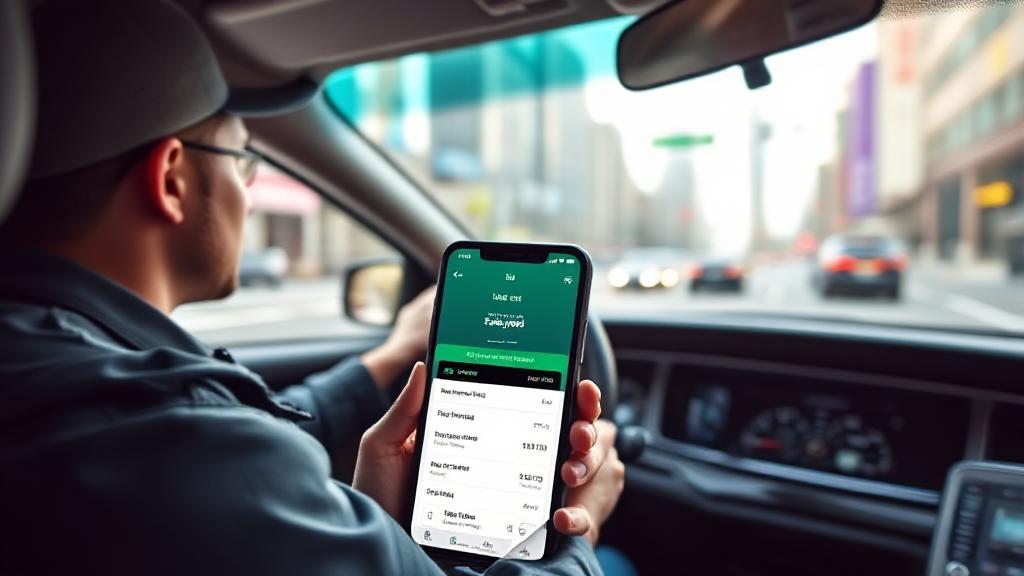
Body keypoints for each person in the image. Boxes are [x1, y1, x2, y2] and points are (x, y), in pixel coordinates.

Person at [0, 1, 625, 575]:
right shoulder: (173, 440)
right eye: (244, 160)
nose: (248, 193)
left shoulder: (58, 375)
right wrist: (581, 537)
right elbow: (224, 444)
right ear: (172, 180)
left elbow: (243, 435)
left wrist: (386, 364)